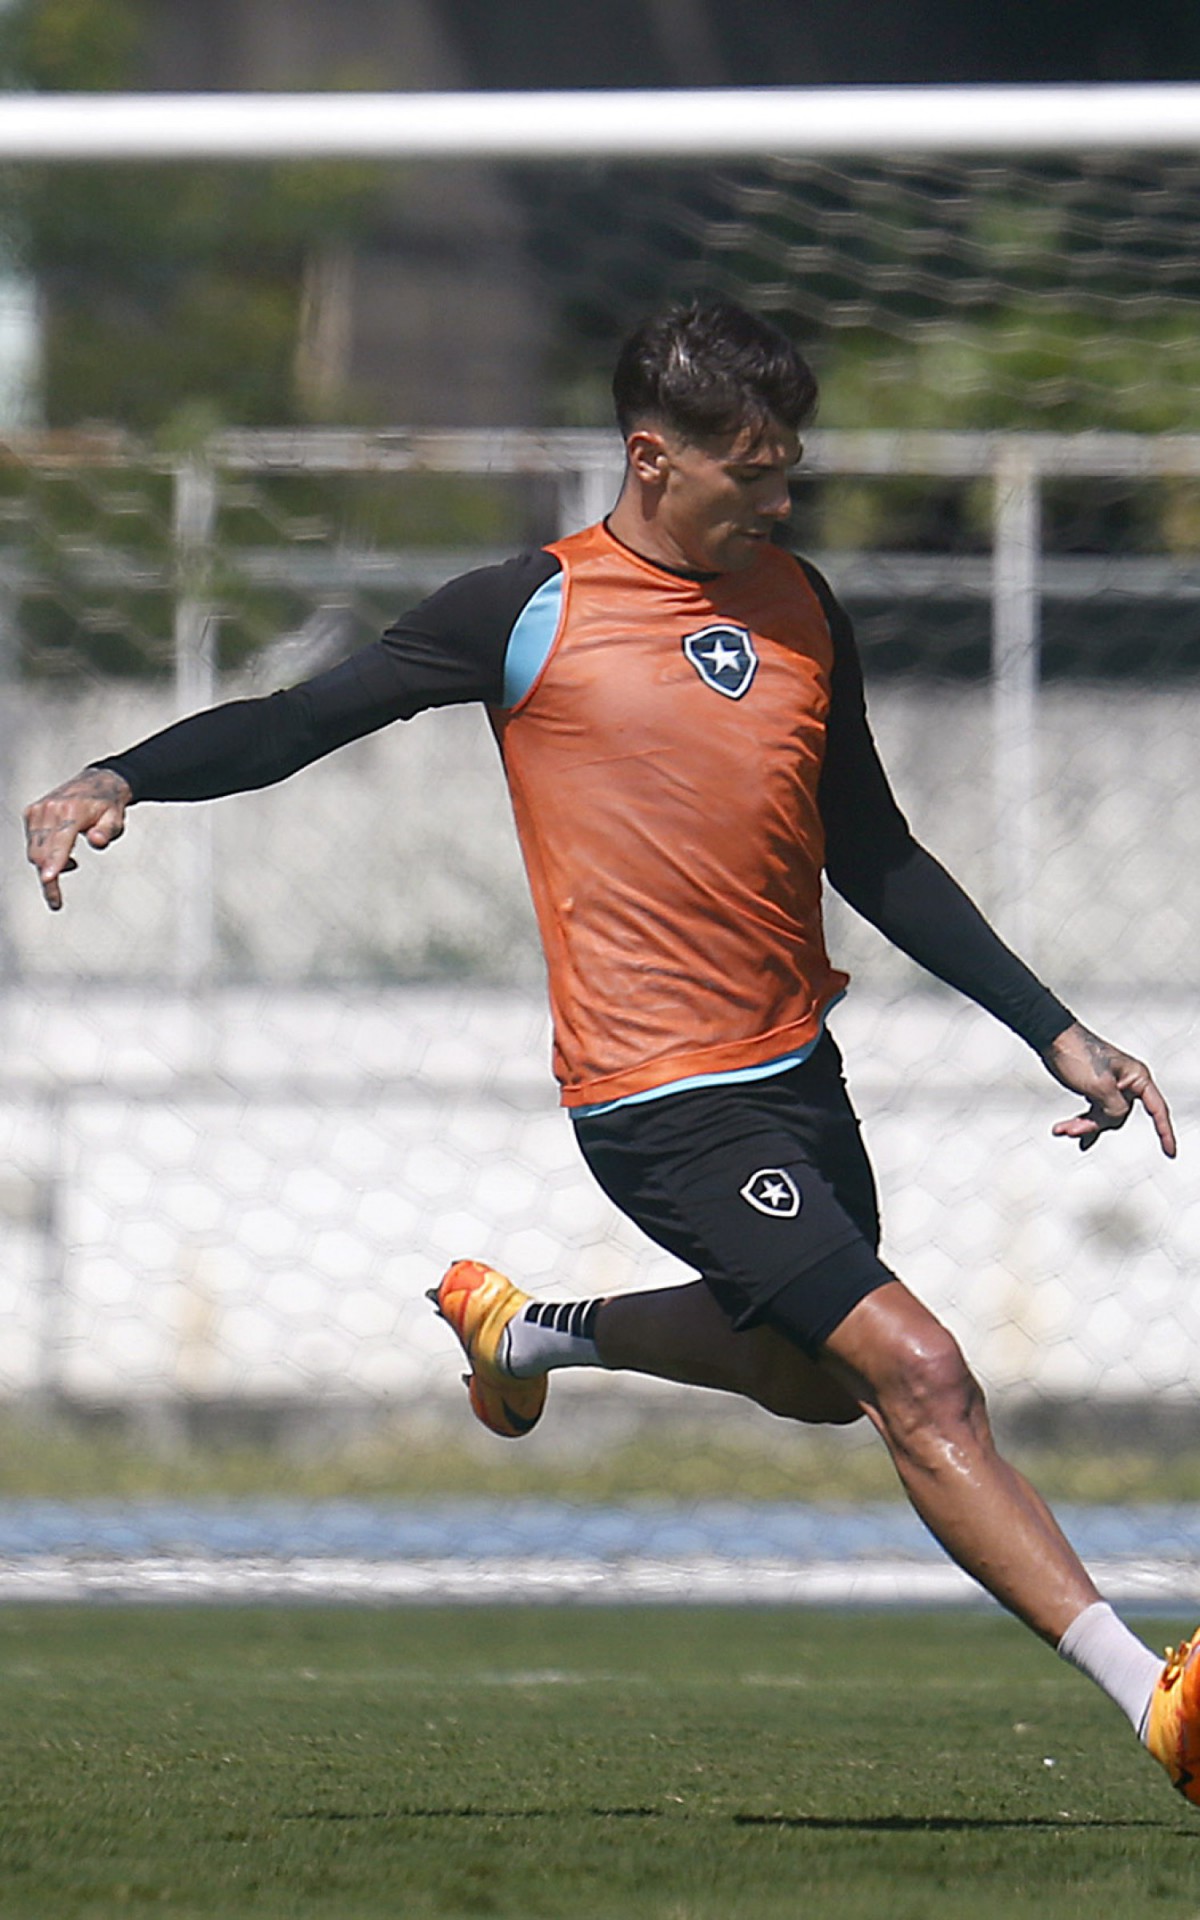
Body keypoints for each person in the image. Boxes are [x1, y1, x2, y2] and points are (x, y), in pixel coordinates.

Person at [23, 298, 1196, 1800]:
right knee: (922, 1375)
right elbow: (301, 718)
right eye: (752, 474)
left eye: (789, 473)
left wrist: (1055, 1029)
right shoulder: (527, 609)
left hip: (795, 1071)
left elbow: (876, 850)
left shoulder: (798, 601)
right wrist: (120, 774)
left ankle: (532, 1334)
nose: (779, 501)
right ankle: (1154, 1700)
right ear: (654, 457)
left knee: (815, 1382)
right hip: (659, 1098)